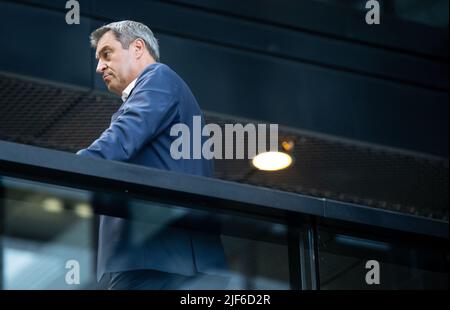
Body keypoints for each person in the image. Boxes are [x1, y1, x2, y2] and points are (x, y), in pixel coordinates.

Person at [77, 20, 228, 290]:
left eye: (106, 54)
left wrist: (70, 167)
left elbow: (123, 137)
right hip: (162, 259)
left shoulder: (158, 77)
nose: (99, 67)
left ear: (137, 47)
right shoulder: (159, 91)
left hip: (159, 259)